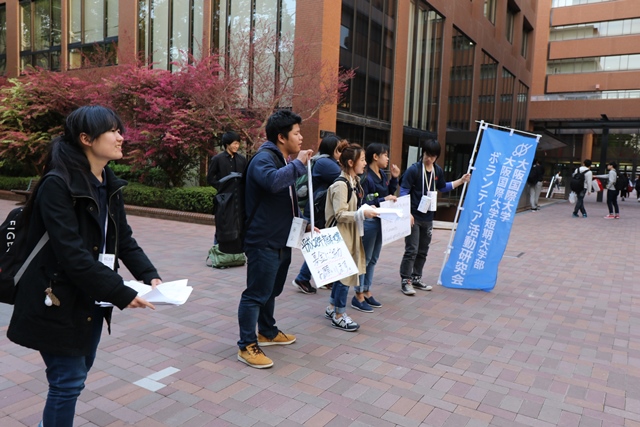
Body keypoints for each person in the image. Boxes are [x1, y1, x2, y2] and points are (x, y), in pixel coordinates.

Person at [6, 105, 161, 427]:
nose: (122, 137)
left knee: (78, 372)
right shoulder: (57, 184)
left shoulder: (107, 182)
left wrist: (150, 275)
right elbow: (72, 254)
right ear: (86, 139)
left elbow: (124, 240)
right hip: (55, 297)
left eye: (120, 130)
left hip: (90, 295)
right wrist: (119, 291)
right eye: (114, 131)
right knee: (68, 380)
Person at [237, 109, 314, 369]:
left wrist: (305, 225)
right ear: (282, 137)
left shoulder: (283, 159)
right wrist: (298, 165)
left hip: (282, 238)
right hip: (263, 240)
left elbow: (288, 200)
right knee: (256, 293)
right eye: (296, 133)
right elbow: (272, 183)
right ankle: (246, 345)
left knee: (271, 290)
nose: (301, 138)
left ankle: (267, 331)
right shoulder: (264, 159)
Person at [399, 139, 471, 296]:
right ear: (423, 153)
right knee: (412, 249)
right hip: (413, 217)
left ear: (437, 156)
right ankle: (406, 280)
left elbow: (443, 187)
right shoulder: (414, 170)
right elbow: (403, 191)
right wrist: (407, 213)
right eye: (426, 154)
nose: (428, 158)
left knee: (423, 250)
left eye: (432, 156)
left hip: (428, 217)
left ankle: (416, 277)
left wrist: (461, 180)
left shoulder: (437, 171)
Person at [324, 144, 378, 331]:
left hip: (349, 234)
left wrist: (361, 212)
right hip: (342, 236)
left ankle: (333, 307)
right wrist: (361, 214)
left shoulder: (352, 181)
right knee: (343, 276)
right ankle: (339, 314)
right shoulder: (341, 184)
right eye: (362, 160)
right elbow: (339, 214)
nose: (365, 163)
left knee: (344, 274)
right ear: (350, 162)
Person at [292, 135, 347, 294]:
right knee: (319, 245)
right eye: (339, 149)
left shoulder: (325, 161)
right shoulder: (326, 163)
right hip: (318, 210)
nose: (341, 152)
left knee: (323, 244)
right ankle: (302, 278)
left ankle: (323, 279)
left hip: (319, 208)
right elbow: (344, 178)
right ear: (332, 149)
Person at [352, 143, 400, 312]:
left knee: (373, 258)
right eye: (385, 155)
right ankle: (357, 294)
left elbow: (388, 192)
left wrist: (394, 178)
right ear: (375, 157)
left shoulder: (382, 175)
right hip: (370, 221)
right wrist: (382, 200)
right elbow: (363, 202)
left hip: (381, 220)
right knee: (364, 259)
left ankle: (366, 290)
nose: (387, 159)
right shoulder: (366, 178)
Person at [207, 131, 247, 246]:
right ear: (227, 144)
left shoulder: (242, 159)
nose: (236, 146)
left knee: (239, 223)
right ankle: (217, 247)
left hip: (238, 198)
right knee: (223, 223)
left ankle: (237, 249)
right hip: (224, 198)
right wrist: (221, 187)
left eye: (238, 143)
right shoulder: (217, 159)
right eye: (234, 143)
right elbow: (210, 178)